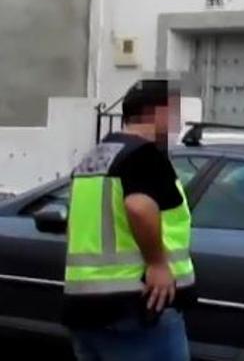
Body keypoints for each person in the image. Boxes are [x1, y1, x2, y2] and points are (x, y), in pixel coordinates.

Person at [64, 78, 196, 361]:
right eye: (175, 114)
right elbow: (138, 207)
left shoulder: (93, 159)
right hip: (137, 306)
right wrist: (157, 263)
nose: (177, 124)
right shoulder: (145, 155)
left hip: (84, 308)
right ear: (158, 113)